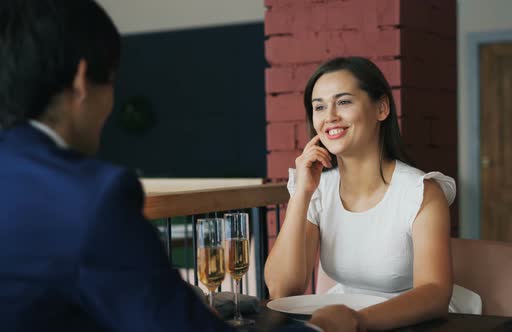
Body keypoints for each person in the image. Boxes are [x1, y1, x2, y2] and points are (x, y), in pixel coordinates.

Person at [0, 1, 365, 331]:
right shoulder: (91, 198)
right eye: (112, 81)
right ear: (82, 79)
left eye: (343, 102)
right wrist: (321, 330)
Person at [264, 57, 481, 330]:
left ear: (381, 108)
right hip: (342, 317)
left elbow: (435, 293)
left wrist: (357, 322)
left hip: (414, 321)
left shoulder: (422, 192)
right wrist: (301, 195)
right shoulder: (318, 190)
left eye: (343, 102)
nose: (329, 116)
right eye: (319, 106)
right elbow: (281, 289)